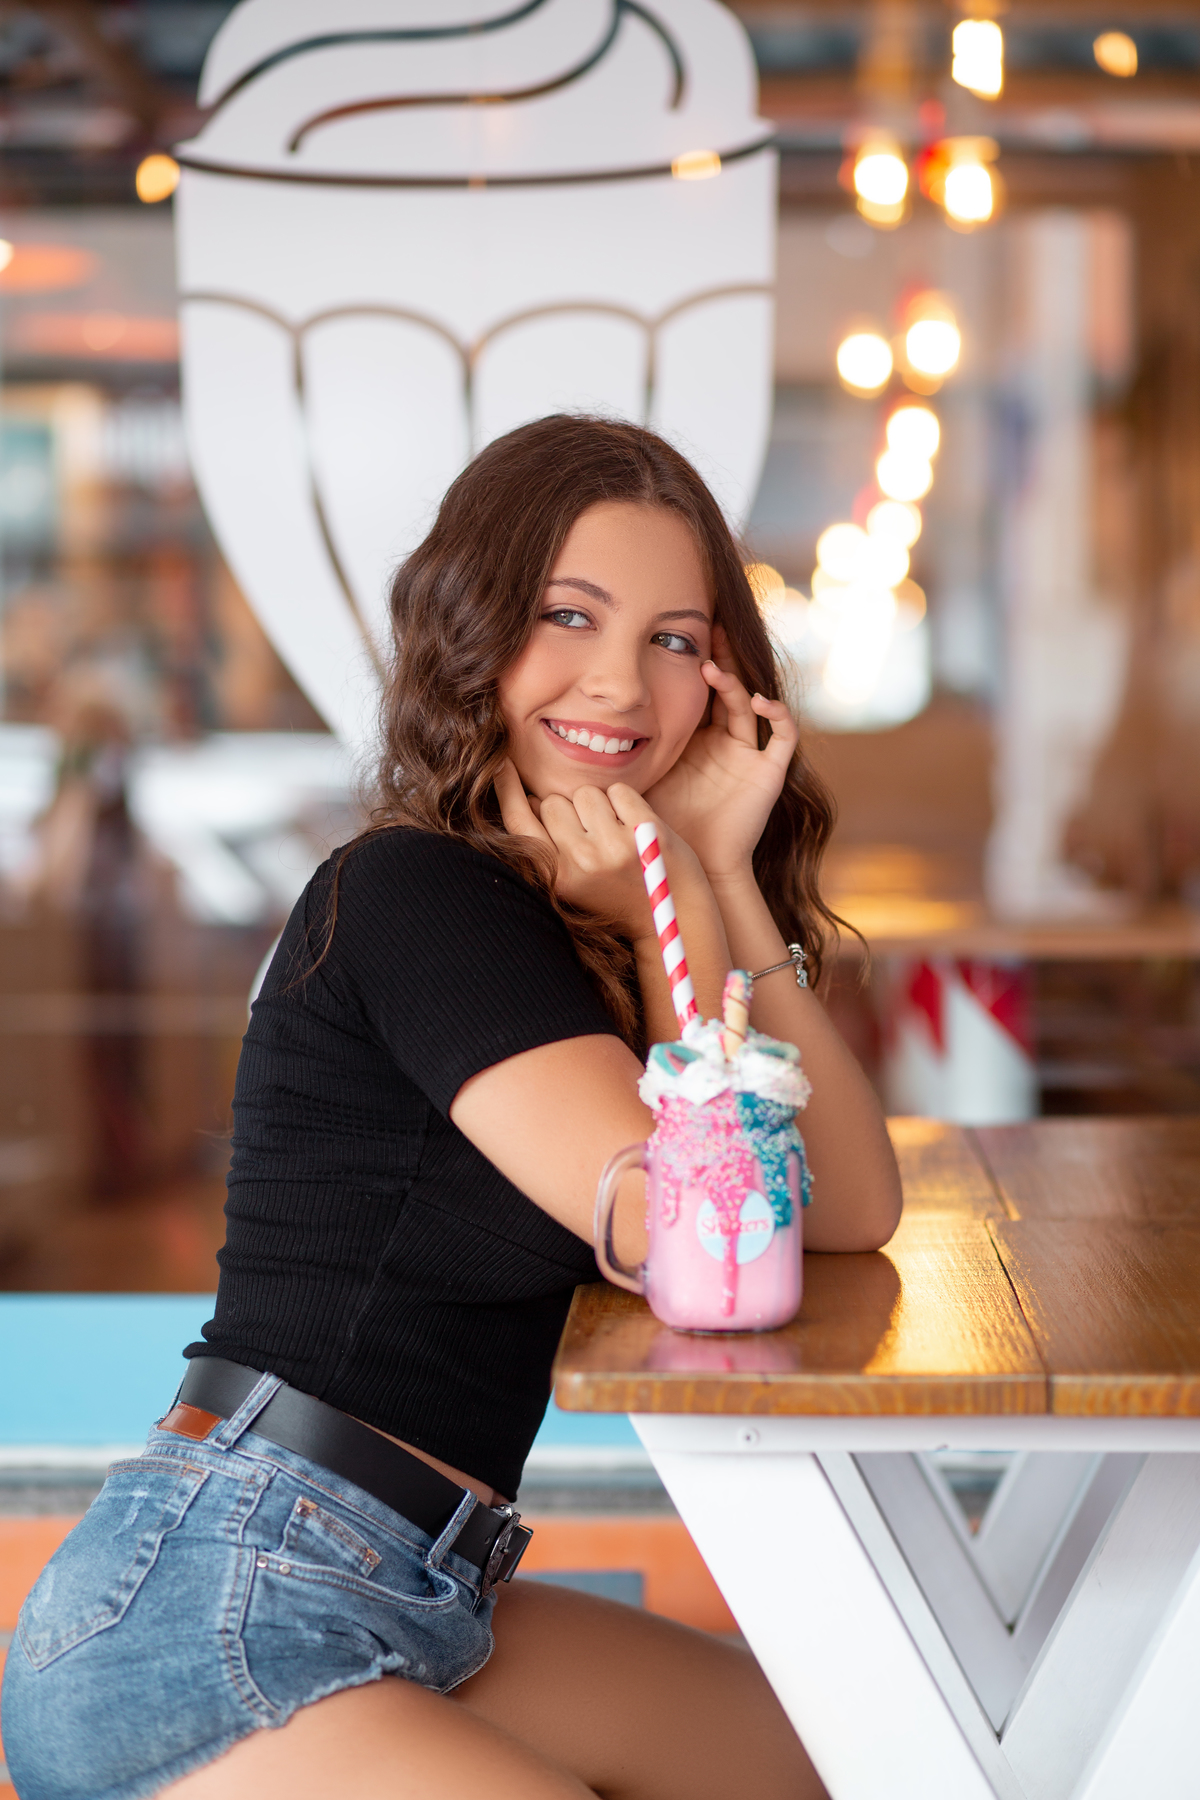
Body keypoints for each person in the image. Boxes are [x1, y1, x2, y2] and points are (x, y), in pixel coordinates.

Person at [2, 416, 902, 1800]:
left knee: (834, 1762)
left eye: (674, 637)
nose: (622, 679)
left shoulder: (579, 926)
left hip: (414, 1587)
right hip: (217, 1602)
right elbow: (695, 1239)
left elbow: (845, 1210)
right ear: (474, 628)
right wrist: (673, 918)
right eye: (568, 615)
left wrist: (716, 877)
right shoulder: (416, 896)